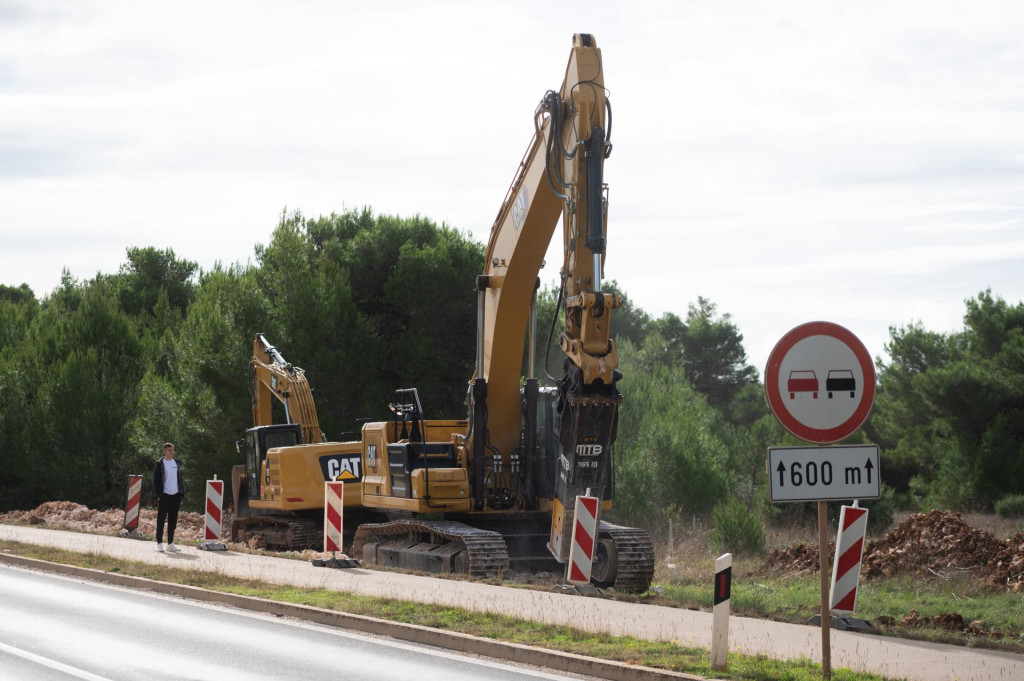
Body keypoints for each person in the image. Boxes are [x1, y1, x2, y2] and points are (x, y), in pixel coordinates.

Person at [152, 442, 185, 553]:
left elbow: (180, 479)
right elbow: (155, 481)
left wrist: (181, 493)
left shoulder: (177, 462)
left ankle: (170, 543)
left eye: (172, 450)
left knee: (173, 520)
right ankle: (159, 543)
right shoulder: (160, 463)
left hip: (176, 495)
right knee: (161, 520)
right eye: (169, 450)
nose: (172, 452)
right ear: (164, 451)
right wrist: (159, 495)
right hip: (165, 495)